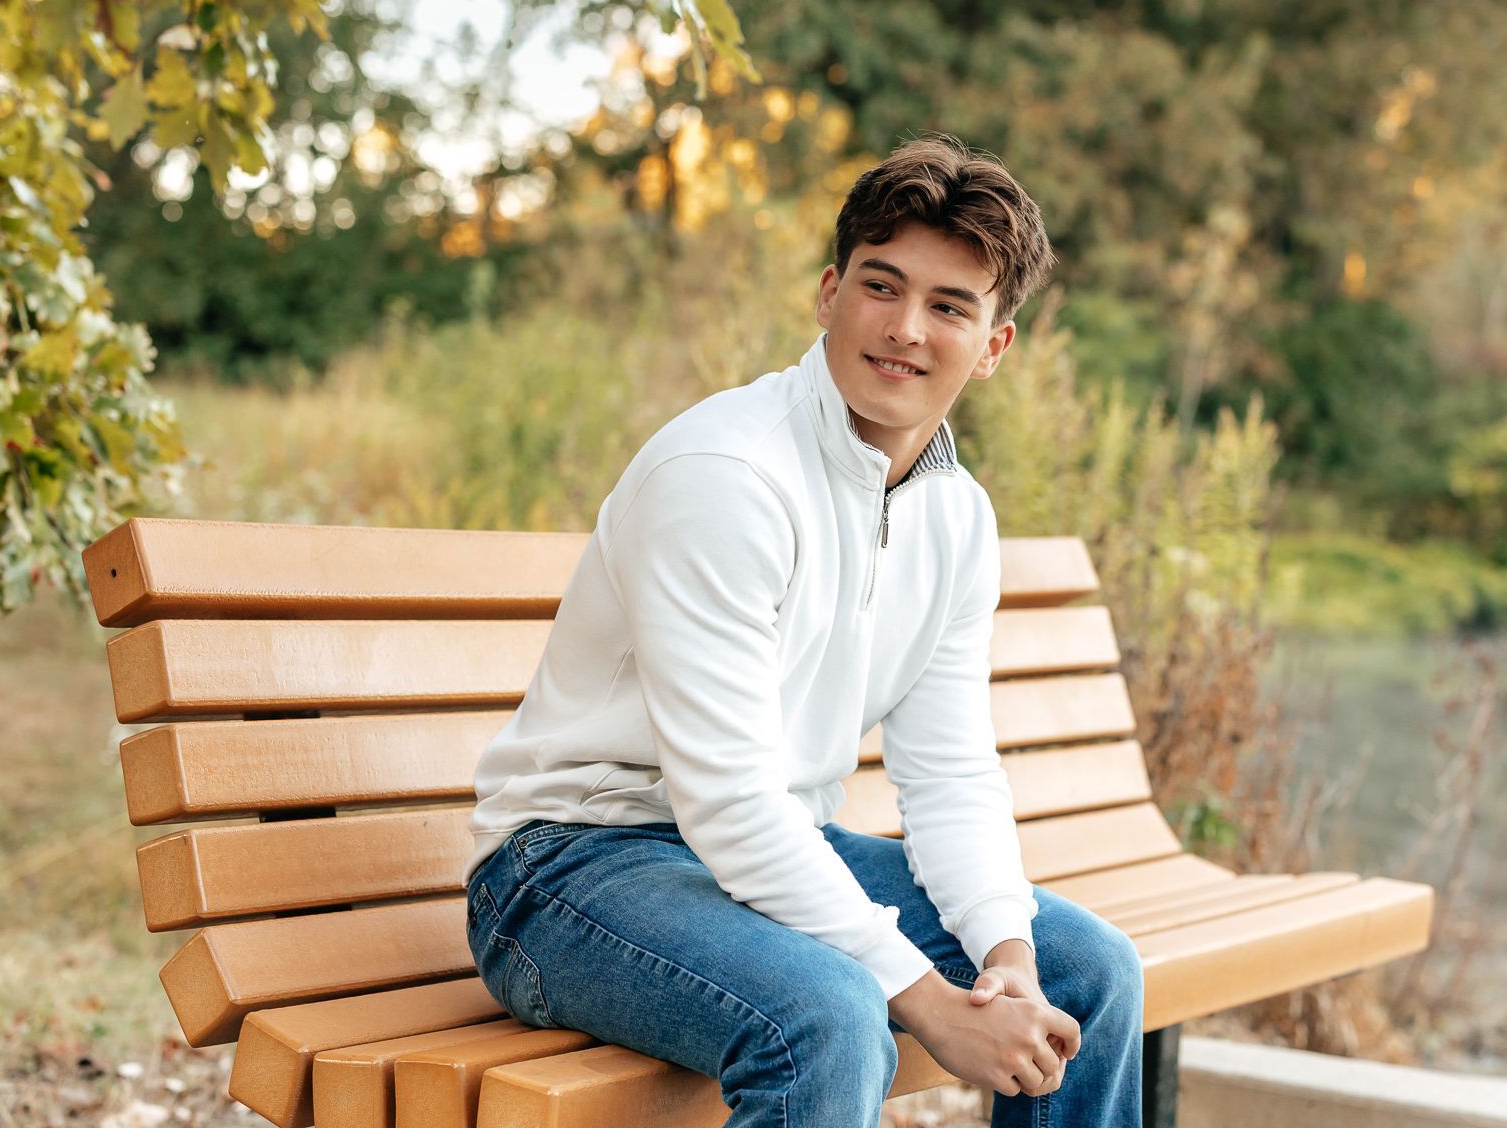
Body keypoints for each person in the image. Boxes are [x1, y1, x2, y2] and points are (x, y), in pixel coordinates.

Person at [463, 132, 1146, 1127]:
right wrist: (928, 1004)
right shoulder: (724, 474)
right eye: (882, 285)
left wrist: (1006, 957)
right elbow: (730, 799)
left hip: (773, 852)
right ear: (830, 293)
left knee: (1088, 970)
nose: (906, 327)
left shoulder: (955, 516)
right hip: (573, 872)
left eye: (950, 306)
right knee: (827, 1018)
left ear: (994, 344)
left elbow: (949, 774)